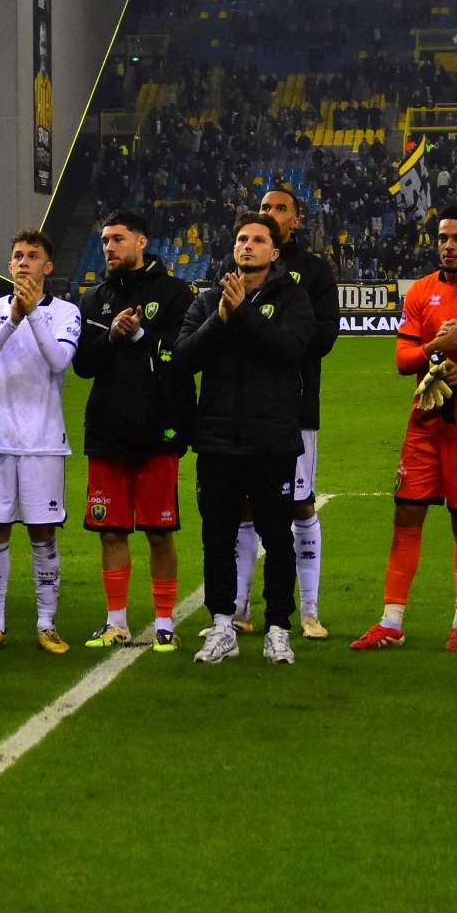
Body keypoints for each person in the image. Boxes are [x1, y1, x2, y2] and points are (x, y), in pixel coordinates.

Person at [349, 205, 457, 653]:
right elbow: (403, 361)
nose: (448, 246)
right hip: (423, 423)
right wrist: (438, 349)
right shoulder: (421, 291)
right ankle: (392, 620)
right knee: (406, 516)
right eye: (442, 238)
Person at [175, 213, 316, 664]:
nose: (247, 246)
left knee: (278, 537)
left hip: (272, 440)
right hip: (217, 440)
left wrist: (243, 315)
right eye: (241, 239)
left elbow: (289, 351)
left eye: (258, 240)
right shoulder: (208, 300)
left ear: (274, 252)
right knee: (216, 537)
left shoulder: (293, 297)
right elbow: (183, 359)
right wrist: (220, 319)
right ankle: (221, 625)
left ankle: (278, 627)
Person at [71, 211, 195, 652]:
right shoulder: (94, 300)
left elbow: (183, 356)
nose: (108, 247)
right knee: (111, 530)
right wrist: (111, 338)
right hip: (106, 429)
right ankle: (116, 622)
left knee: (160, 532)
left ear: (141, 242)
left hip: (157, 429)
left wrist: (140, 334)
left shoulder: (175, 293)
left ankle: (164, 621)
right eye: (104, 240)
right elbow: (83, 365)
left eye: (117, 239)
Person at [0, 229, 82, 656]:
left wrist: (30, 314)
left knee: (42, 534)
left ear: (48, 266)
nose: (24, 262)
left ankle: (46, 623)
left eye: (33, 256)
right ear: (9, 264)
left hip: (44, 443)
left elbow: (59, 361)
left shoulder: (66, 312)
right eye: (17, 256)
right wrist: (13, 317)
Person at [247, 184, 338, 638]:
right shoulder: (236, 265)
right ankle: (240, 609)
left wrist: (278, 335)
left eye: (280, 208)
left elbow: (323, 338)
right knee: (244, 508)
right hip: (242, 408)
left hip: (295, 407)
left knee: (301, 505)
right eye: (265, 207)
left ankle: (309, 611)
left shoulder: (315, 272)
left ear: (295, 220)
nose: (271, 213)